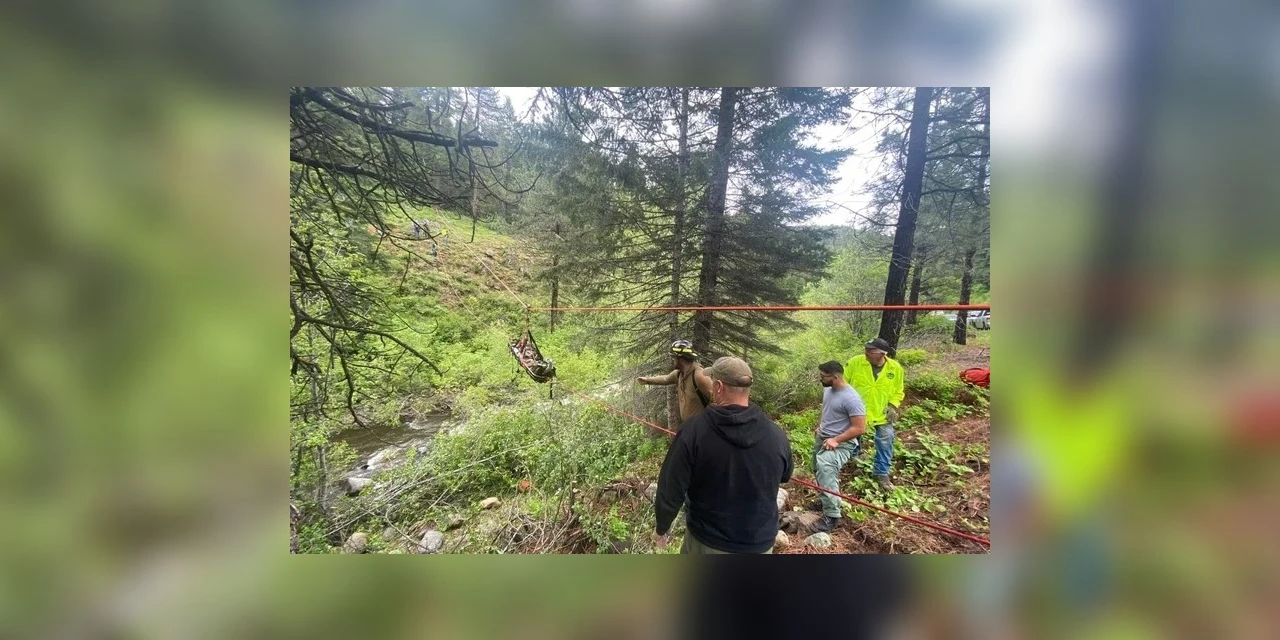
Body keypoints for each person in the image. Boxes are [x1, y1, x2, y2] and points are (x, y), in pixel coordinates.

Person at [653, 357, 793, 554]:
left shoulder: (693, 432)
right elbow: (785, 475)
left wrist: (662, 528)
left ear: (718, 386)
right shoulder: (776, 434)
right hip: (760, 544)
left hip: (707, 542)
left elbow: (671, 487)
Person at [808, 361, 868, 533]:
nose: (820, 379)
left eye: (823, 377)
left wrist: (837, 439)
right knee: (817, 468)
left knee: (825, 466)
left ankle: (832, 516)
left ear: (835, 377)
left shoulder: (851, 398)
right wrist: (821, 426)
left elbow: (860, 427)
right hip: (823, 437)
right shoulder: (828, 389)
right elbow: (827, 410)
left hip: (842, 442)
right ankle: (825, 499)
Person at [845, 338, 906, 491]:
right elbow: (843, 383)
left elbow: (899, 391)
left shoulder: (895, 368)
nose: (866, 353)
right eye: (866, 349)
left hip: (881, 413)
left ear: (882, 354)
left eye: (870, 351)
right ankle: (856, 460)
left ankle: (881, 473)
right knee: (854, 437)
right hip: (857, 411)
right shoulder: (855, 362)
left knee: (885, 441)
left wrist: (893, 406)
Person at [636, 339, 716, 424]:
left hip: (702, 427)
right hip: (688, 427)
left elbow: (716, 398)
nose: (673, 361)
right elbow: (666, 379)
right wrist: (647, 380)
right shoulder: (679, 374)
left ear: (681, 360)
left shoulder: (699, 375)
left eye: (674, 358)